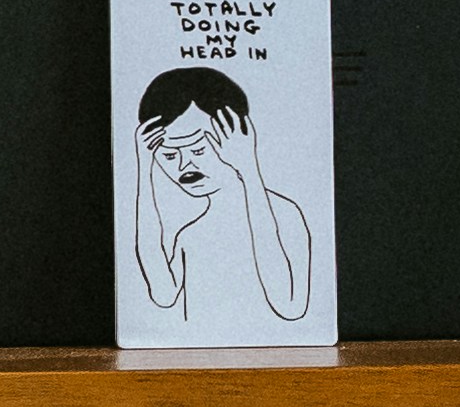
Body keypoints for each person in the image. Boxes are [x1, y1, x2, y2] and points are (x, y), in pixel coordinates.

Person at [126, 62, 322, 326]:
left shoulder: (285, 215)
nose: (184, 166)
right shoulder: (191, 234)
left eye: (198, 150)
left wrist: (249, 168)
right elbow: (162, 295)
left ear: (236, 135)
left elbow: (289, 305)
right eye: (169, 155)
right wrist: (143, 167)